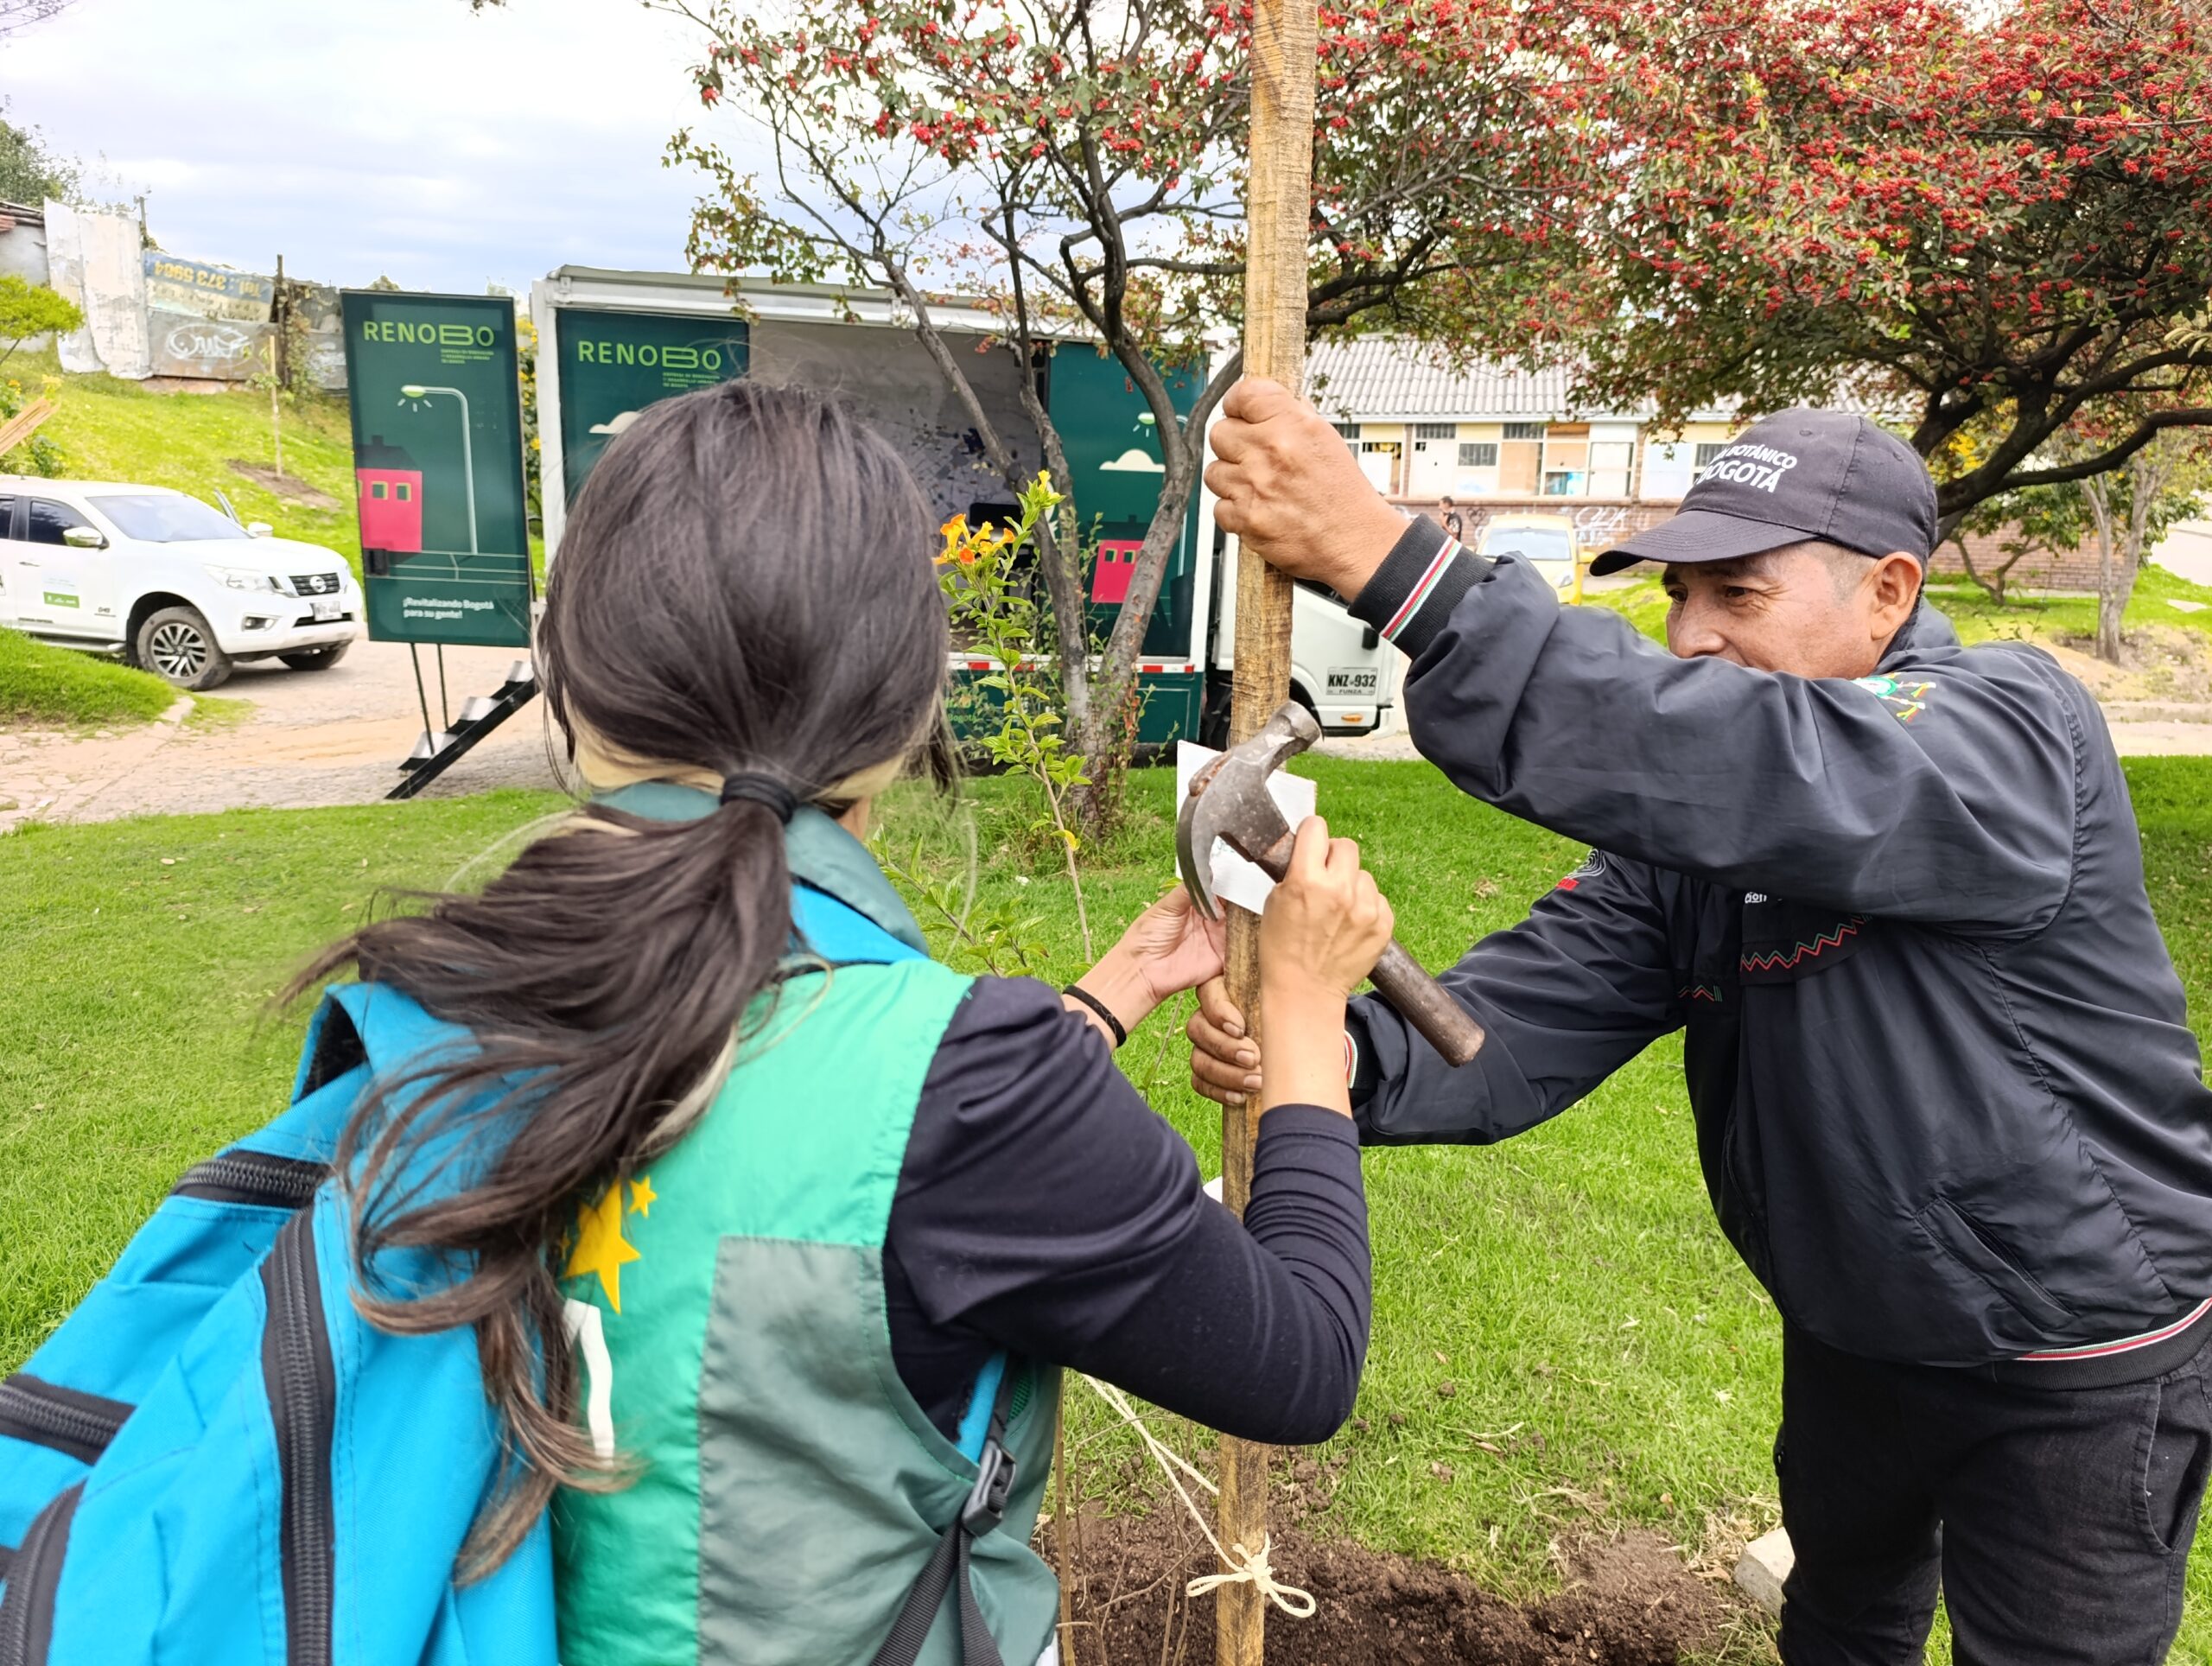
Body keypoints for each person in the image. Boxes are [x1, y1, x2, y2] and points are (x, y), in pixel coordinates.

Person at [307, 380, 1395, 1666]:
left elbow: (856, 1160)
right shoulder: (971, 1091)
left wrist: (1099, 1006)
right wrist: (1306, 1011)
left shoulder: (427, 998)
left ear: (576, 694)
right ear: (903, 715)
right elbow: (1299, 1362)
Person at [1193, 380, 2212, 1665]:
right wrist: (1342, 1057)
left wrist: (1396, 568)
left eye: (1740, 594)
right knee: (1841, 1624)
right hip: (1854, 1325)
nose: (1692, 637)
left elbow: (1759, 759)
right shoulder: (1709, 847)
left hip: (2074, 1351)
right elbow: (1540, 1003)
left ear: (1889, 592)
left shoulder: (2005, 734)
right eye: (1678, 596)